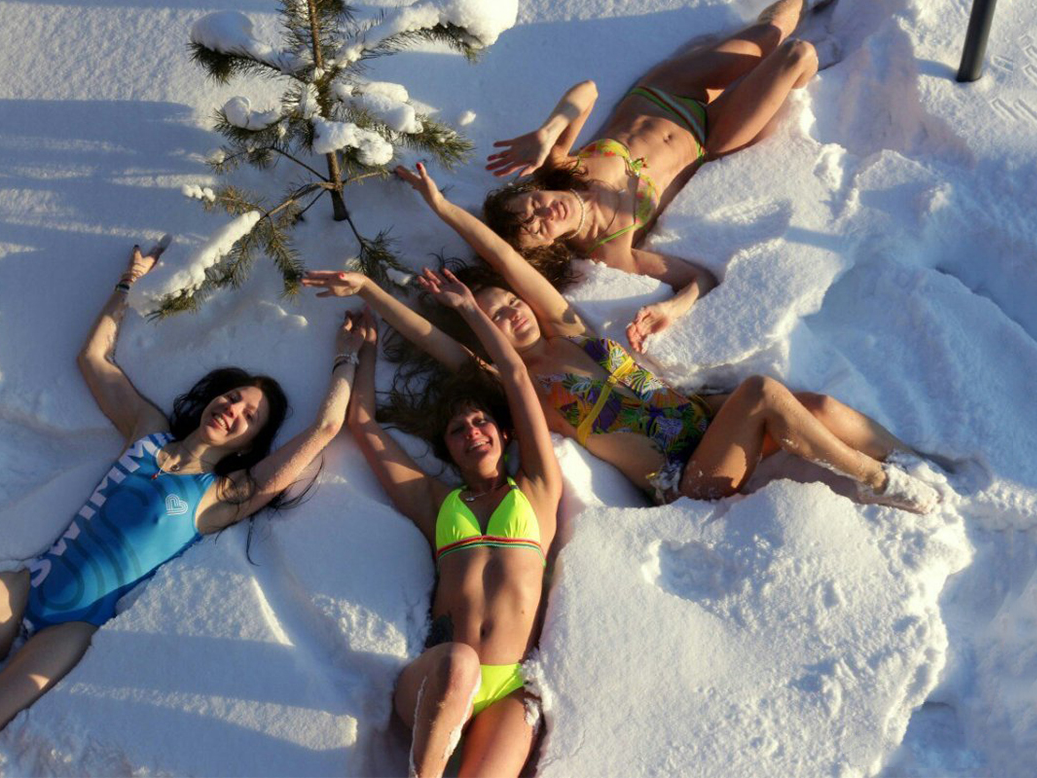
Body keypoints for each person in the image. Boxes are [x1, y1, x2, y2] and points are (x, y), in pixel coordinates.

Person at [0, 244, 367, 777]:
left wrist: (347, 358)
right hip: (27, 586)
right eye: (232, 398)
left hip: (71, 630)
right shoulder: (147, 431)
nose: (233, 410)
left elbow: (324, 430)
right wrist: (127, 282)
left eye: (249, 415)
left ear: (251, 442)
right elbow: (93, 359)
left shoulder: (223, 497)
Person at [302, 162, 938, 514]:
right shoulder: (517, 383)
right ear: (482, 333)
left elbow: (507, 258)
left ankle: (909, 459)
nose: (512, 312)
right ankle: (880, 482)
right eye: (494, 317)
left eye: (511, 303)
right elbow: (434, 340)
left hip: (705, 423)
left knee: (815, 406)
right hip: (687, 482)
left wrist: (443, 208)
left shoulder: (571, 331)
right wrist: (370, 289)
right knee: (764, 394)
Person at [480, 0, 822, 350]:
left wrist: (548, 131)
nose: (546, 212)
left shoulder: (563, 169)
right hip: (710, 136)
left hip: (669, 90)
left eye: (534, 203)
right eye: (539, 227)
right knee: (797, 53)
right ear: (548, 247)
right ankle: (822, 74)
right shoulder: (611, 250)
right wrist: (672, 308)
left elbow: (587, 91)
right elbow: (698, 278)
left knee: (769, 33)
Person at [343, 274, 561, 777]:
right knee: (460, 660)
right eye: (458, 430)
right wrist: (361, 352)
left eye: (481, 422)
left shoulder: (536, 488)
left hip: (509, 686)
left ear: (505, 434)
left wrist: (469, 308)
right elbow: (363, 426)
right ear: (449, 449)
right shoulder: (438, 503)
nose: (472, 432)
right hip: (438, 678)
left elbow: (515, 376)